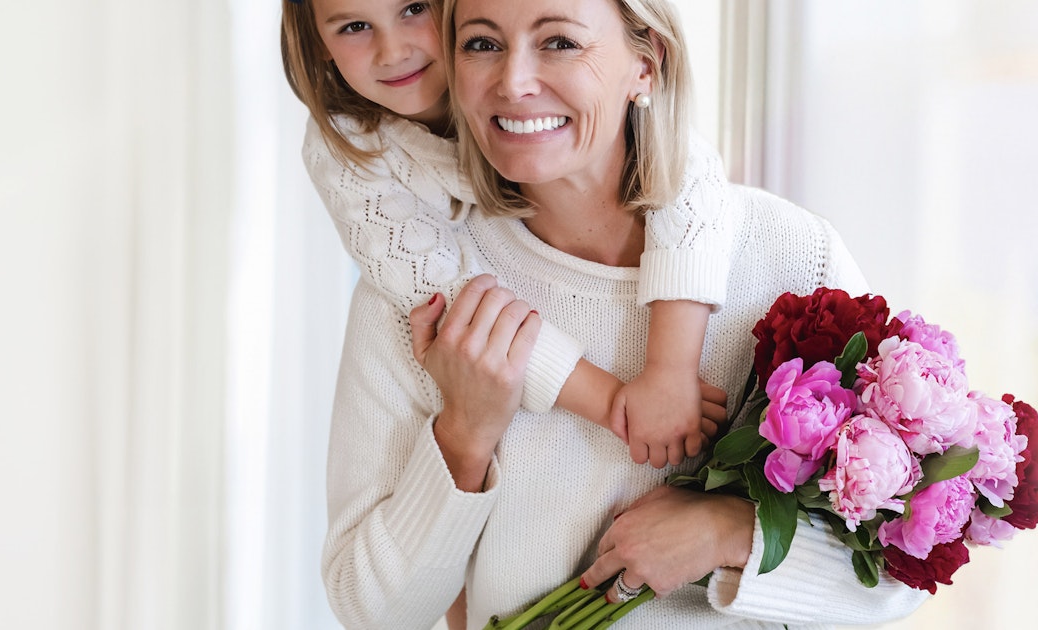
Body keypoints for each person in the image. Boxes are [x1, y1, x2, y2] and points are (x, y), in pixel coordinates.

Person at [317, 0, 932, 627]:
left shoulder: (789, 256)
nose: (514, 81)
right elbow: (372, 613)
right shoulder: (417, 296)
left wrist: (725, 533)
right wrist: (464, 436)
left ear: (646, 62)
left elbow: (901, 574)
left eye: (558, 42)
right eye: (481, 44)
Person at [281, 0, 741, 474]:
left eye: (415, 9)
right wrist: (611, 403)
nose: (393, 52)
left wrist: (670, 372)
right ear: (317, 43)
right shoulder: (348, 152)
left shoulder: (516, 93)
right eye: (355, 27)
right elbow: (458, 306)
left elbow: (686, 168)